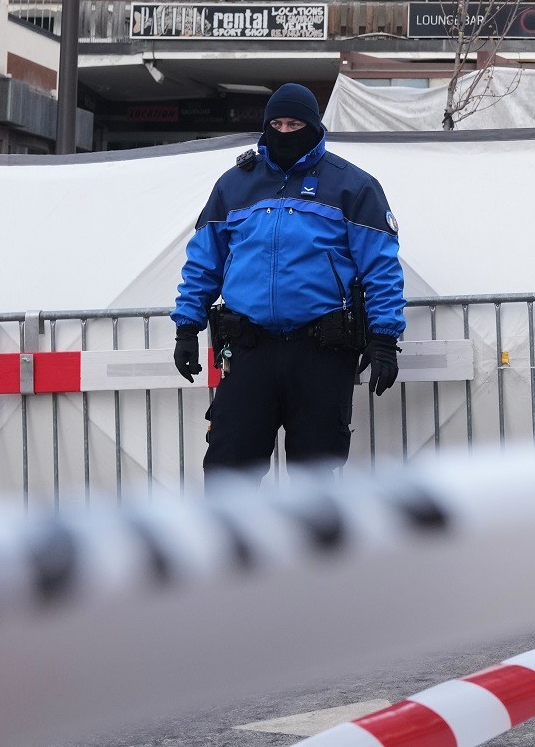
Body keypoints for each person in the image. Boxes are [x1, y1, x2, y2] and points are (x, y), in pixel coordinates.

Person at [172, 83, 405, 479]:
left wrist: (384, 338)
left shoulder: (352, 185)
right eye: (276, 124)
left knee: (314, 479)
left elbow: (381, 268)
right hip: (249, 350)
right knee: (229, 470)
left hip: (322, 352)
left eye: (294, 124)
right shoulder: (234, 184)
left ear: (313, 126)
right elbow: (203, 262)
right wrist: (186, 328)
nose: (284, 132)